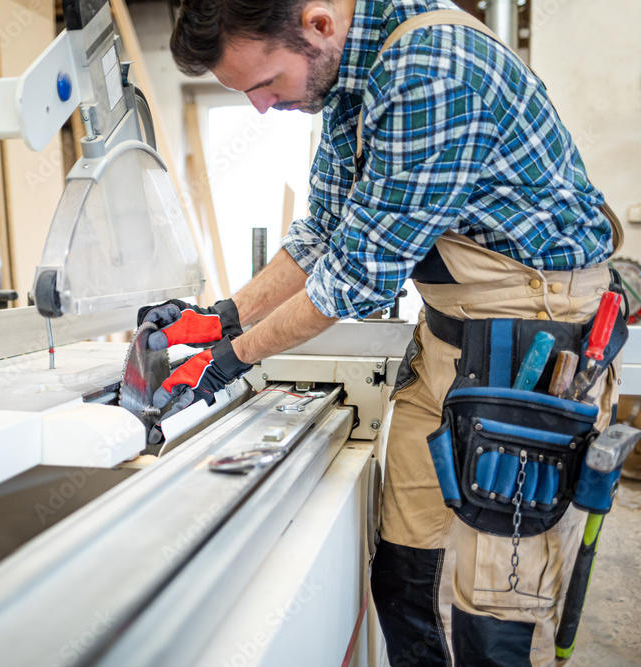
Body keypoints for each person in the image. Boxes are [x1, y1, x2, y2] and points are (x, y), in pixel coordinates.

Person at [138, 0, 624, 664]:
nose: (258, 106)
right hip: (453, 341)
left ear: (316, 25)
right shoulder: (345, 80)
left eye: (263, 84)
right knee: (403, 577)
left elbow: (357, 278)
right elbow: (323, 236)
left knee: (492, 611)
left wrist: (233, 357)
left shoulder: (430, 69)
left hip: (528, 355)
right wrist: (224, 315)